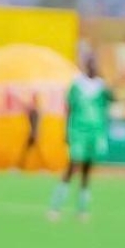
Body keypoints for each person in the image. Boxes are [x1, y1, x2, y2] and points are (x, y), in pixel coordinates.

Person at [49, 57, 113, 222]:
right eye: (91, 65)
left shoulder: (101, 86)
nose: (93, 68)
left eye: (95, 65)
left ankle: (82, 209)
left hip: (95, 132)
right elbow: (69, 108)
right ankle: (56, 206)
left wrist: (120, 79)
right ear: (85, 67)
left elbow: (113, 98)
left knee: (87, 171)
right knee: (72, 167)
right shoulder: (76, 85)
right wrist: (67, 131)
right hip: (78, 131)